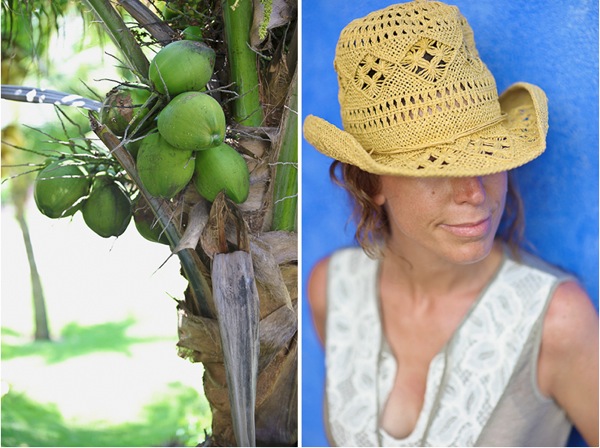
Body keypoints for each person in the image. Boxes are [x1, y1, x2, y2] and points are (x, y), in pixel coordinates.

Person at [302, 0, 599, 446]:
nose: (474, 193)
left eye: (487, 157)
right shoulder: (333, 290)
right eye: (434, 168)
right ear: (373, 183)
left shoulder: (556, 322)